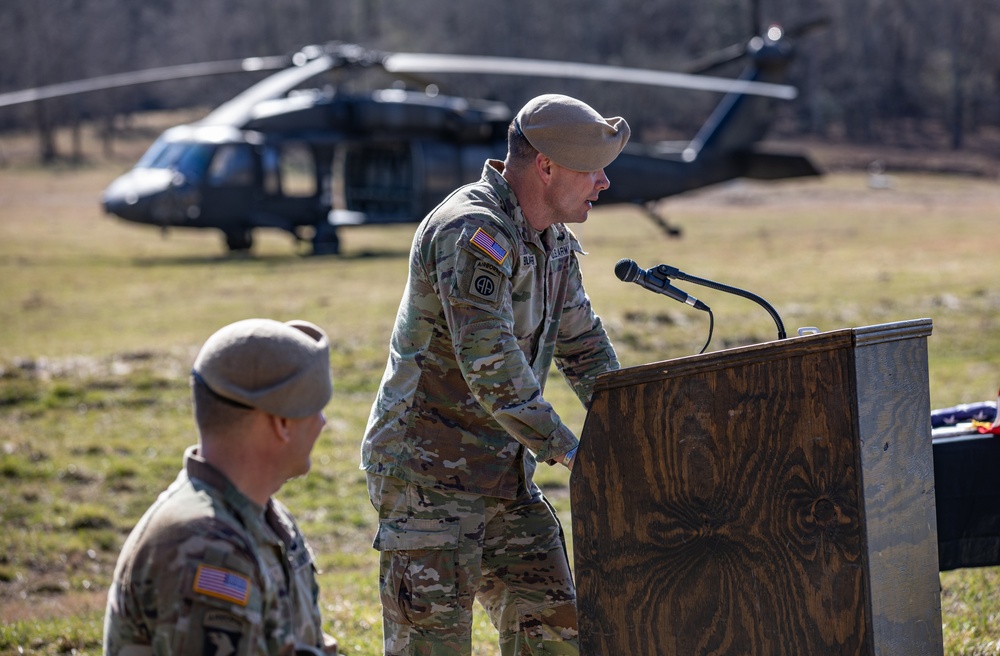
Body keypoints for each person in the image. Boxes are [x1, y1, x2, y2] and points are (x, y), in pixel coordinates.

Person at [361, 94, 630, 655]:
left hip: (502, 478)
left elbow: (583, 346)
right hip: (427, 483)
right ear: (546, 166)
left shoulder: (554, 241)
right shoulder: (472, 233)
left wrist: (634, 427)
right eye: (591, 169)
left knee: (556, 634)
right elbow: (490, 364)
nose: (603, 183)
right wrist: (569, 450)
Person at [104, 318, 339, 656]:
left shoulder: (265, 518)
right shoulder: (206, 547)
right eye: (316, 408)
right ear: (283, 424)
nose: (322, 422)